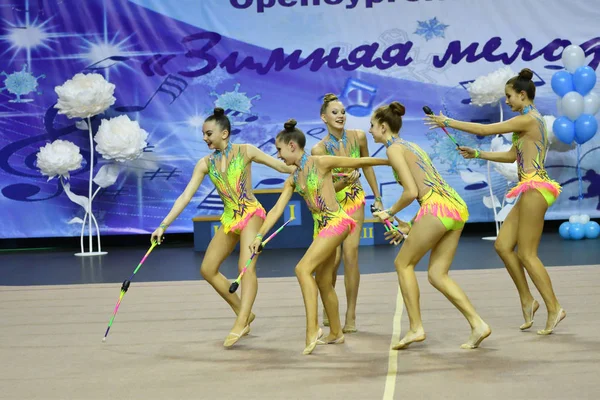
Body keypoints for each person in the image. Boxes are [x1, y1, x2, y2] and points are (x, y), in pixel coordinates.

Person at [425, 68, 566, 335]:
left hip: (536, 187)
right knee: (503, 246)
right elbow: (513, 155)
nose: (507, 101)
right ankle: (528, 299)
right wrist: (477, 153)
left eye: (509, 96)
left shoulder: (529, 119)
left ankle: (554, 307)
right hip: (529, 187)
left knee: (527, 254)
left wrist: (448, 122)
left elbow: (484, 129)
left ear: (523, 95)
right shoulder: (525, 121)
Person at [151, 107, 294, 348]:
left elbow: (281, 167)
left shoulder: (246, 151)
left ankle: (240, 322)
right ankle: (243, 311)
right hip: (229, 219)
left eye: (208, 133)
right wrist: (163, 225)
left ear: (224, 133)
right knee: (208, 269)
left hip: (251, 213)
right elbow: (185, 196)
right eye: (203, 134)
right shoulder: (205, 163)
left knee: (245, 267)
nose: (205, 138)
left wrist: (313, 168)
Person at [250, 119, 389, 355]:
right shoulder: (293, 179)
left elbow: (359, 161)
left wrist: (390, 160)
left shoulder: (320, 162)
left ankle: (312, 329)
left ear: (292, 146)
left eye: (280, 150)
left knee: (302, 269)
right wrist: (259, 234)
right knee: (324, 281)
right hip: (321, 229)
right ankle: (336, 332)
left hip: (336, 222)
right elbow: (275, 210)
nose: (279, 155)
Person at [370, 101, 491, 350]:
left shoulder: (393, 150)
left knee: (402, 263)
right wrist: (410, 225)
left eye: (372, 126)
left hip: (437, 207)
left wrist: (389, 211)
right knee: (437, 274)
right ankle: (478, 323)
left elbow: (411, 191)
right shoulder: (410, 145)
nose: (370, 131)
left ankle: (416, 328)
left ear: (383, 127)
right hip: (454, 206)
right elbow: (426, 188)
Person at [312, 93, 384, 333]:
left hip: (355, 200)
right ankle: (328, 305)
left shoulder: (359, 137)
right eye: (334, 112)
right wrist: (342, 182)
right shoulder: (318, 149)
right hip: (332, 205)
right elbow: (323, 187)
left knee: (351, 254)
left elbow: (367, 166)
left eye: (342, 112)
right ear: (323, 117)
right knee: (332, 260)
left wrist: (378, 196)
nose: (340, 115)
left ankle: (351, 314)